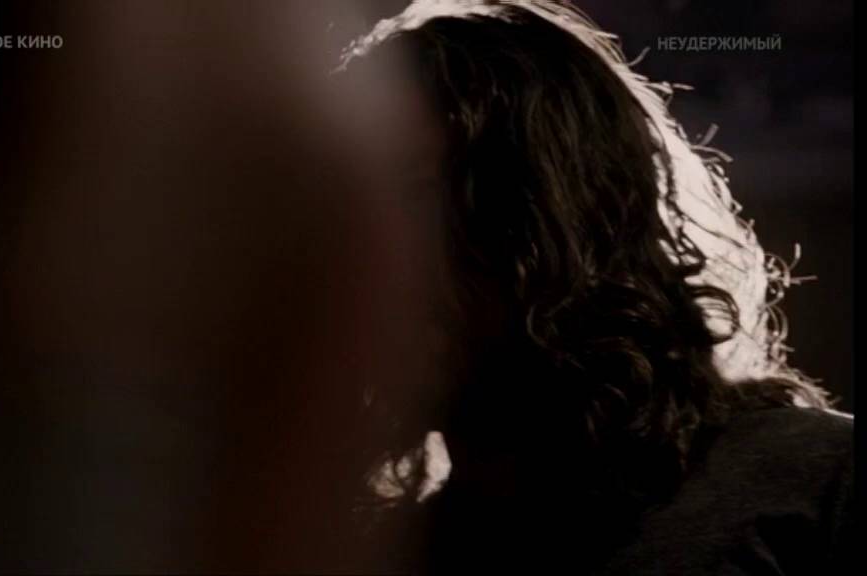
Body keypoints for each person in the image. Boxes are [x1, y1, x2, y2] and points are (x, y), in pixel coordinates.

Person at [334, 1, 854, 573]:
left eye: (418, 199)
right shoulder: (374, 556)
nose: (368, 265)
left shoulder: (819, 482)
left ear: (554, 214)